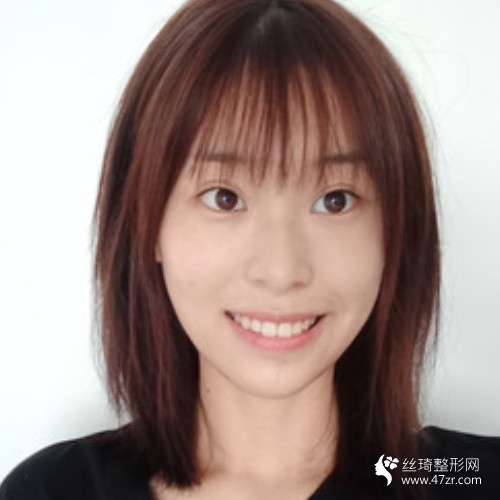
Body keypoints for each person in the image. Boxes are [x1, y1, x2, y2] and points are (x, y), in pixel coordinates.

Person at [1, 0, 499, 499]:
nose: (281, 270)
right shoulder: (53, 491)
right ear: (145, 222)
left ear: (398, 231)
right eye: (225, 197)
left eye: (335, 199)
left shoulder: (463, 477)